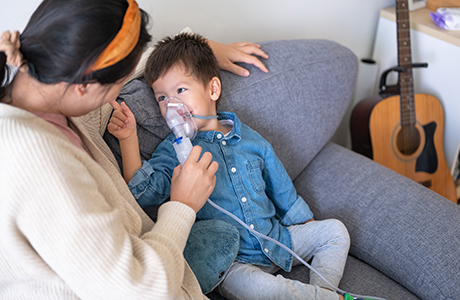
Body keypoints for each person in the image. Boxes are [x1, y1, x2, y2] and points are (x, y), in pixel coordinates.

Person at [0, 0, 270, 299]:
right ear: (85, 84)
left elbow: (127, 67)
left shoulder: (52, 101)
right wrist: (182, 206)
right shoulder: (40, 164)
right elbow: (139, 290)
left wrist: (198, 50)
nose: (117, 93)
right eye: (116, 85)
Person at [108, 33, 352, 300]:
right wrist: (128, 140)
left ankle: (326, 291)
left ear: (212, 89)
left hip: (277, 240)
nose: (172, 106)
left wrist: (306, 223)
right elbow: (142, 193)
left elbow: (281, 188)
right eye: (162, 98)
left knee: (335, 231)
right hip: (233, 264)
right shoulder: (174, 150)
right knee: (261, 289)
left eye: (180, 90)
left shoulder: (251, 140)